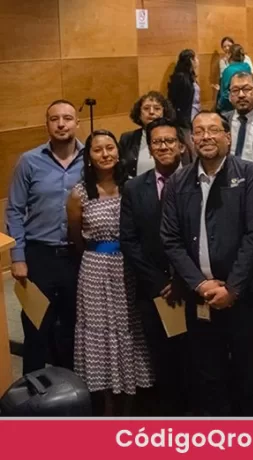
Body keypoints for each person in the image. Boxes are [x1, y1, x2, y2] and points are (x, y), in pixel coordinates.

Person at [160, 111, 253, 416]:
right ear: (191, 140)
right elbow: (170, 238)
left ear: (228, 136)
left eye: (213, 130)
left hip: (243, 296)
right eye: (199, 131)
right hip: (199, 296)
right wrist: (200, 283)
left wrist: (231, 288)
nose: (206, 136)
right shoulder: (178, 181)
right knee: (208, 374)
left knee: (246, 373)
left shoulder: (250, 175)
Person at [67, 129, 152, 414]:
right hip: (94, 270)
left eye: (110, 148)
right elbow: (76, 237)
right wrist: (98, 256)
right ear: (88, 157)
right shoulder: (79, 194)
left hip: (129, 269)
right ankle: (105, 408)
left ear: (118, 151)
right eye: (98, 149)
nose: (105, 154)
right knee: (100, 335)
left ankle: (131, 405)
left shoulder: (133, 186)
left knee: (130, 329)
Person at [7, 101, 84, 374]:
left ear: (77, 123)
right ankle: (32, 396)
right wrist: (17, 257)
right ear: (47, 124)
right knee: (35, 325)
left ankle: (70, 396)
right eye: (55, 119)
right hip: (39, 256)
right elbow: (14, 210)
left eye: (67, 118)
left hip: (77, 257)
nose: (61, 124)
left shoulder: (91, 159)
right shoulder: (29, 161)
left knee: (72, 328)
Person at [119, 118, 189, 416]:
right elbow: (129, 240)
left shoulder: (198, 182)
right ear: (150, 147)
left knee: (194, 357)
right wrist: (160, 281)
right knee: (160, 357)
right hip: (153, 289)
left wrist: (183, 279)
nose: (163, 147)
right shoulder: (135, 188)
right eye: (157, 142)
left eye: (169, 141)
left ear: (182, 146)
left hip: (193, 286)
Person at [119, 92, 177, 178]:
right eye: (146, 108)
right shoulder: (127, 138)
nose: (151, 112)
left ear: (164, 113)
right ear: (139, 114)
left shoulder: (177, 136)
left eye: (157, 108)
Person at [167, 49, 200, 128]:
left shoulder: (190, 75)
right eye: (196, 58)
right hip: (185, 119)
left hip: (195, 114)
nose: (198, 61)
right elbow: (176, 100)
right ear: (191, 60)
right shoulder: (181, 77)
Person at [216, 44, 251, 112]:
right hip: (245, 104)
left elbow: (226, 93)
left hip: (230, 108)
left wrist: (219, 105)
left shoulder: (228, 70)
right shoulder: (247, 66)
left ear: (229, 54)